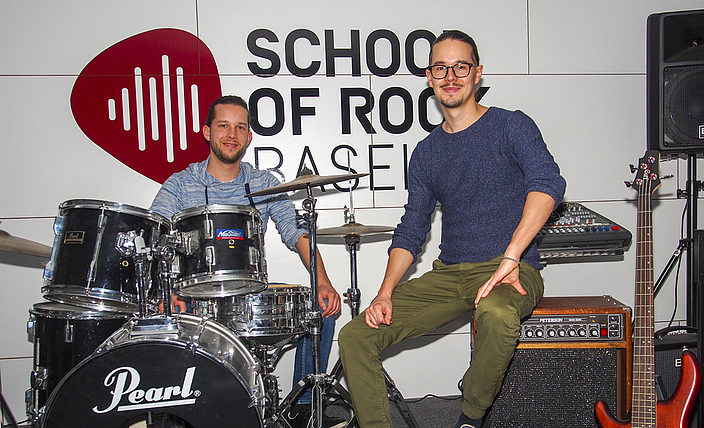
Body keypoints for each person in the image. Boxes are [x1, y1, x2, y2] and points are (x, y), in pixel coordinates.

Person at [337, 30, 566, 428]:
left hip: (512, 268)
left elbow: (548, 185)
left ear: (477, 73)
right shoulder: (427, 152)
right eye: (440, 67)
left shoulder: (511, 126)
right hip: (450, 275)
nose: (450, 76)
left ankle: (470, 417)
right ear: (429, 77)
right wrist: (384, 293)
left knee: (496, 314)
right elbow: (411, 229)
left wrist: (511, 257)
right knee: (356, 336)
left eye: (460, 66)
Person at [150, 95, 341, 426]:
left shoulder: (264, 183)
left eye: (240, 127)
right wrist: (167, 291)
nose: (232, 134)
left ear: (249, 136)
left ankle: (304, 408)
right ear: (207, 131)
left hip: (251, 293)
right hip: (196, 297)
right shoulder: (181, 184)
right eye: (223, 125)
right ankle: (181, 412)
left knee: (318, 308)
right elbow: (154, 240)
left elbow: (297, 234)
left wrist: (322, 281)